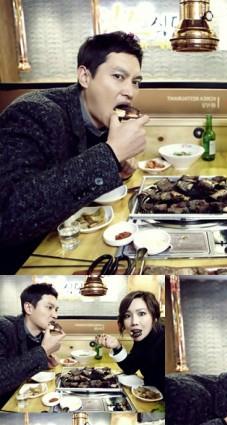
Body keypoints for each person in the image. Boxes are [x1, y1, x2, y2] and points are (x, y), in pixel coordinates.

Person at [0, 31, 149, 273]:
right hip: (23, 265)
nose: (130, 92)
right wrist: (110, 154)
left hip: (73, 246)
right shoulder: (34, 113)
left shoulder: (103, 120)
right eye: (118, 76)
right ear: (85, 76)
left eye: (135, 81)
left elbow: (75, 183)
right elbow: (9, 214)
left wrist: (118, 168)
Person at [0, 283, 64, 408]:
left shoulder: (42, 336)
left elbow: (26, 369)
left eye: (56, 310)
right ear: (29, 308)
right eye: (49, 307)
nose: (55, 315)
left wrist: (46, 364)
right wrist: (43, 351)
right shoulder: (4, 328)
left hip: (25, 403)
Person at [95, 291, 164, 392]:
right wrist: (117, 346)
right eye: (127, 316)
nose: (134, 322)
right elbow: (130, 368)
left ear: (155, 317)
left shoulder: (165, 341)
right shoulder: (143, 338)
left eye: (141, 314)